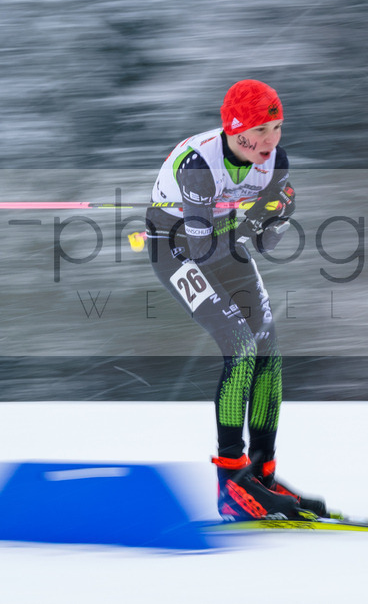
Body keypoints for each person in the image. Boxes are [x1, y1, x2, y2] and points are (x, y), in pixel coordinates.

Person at [146, 79, 327, 521]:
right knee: (241, 345)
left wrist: (277, 214)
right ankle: (230, 482)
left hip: (226, 241)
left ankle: (261, 474)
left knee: (269, 352)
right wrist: (249, 218)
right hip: (177, 249)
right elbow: (201, 246)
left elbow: (264, 244)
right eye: (260, 131)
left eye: (277, 127)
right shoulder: (198, 167)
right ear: (234, 129)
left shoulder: (275, 161)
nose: (271, 141)